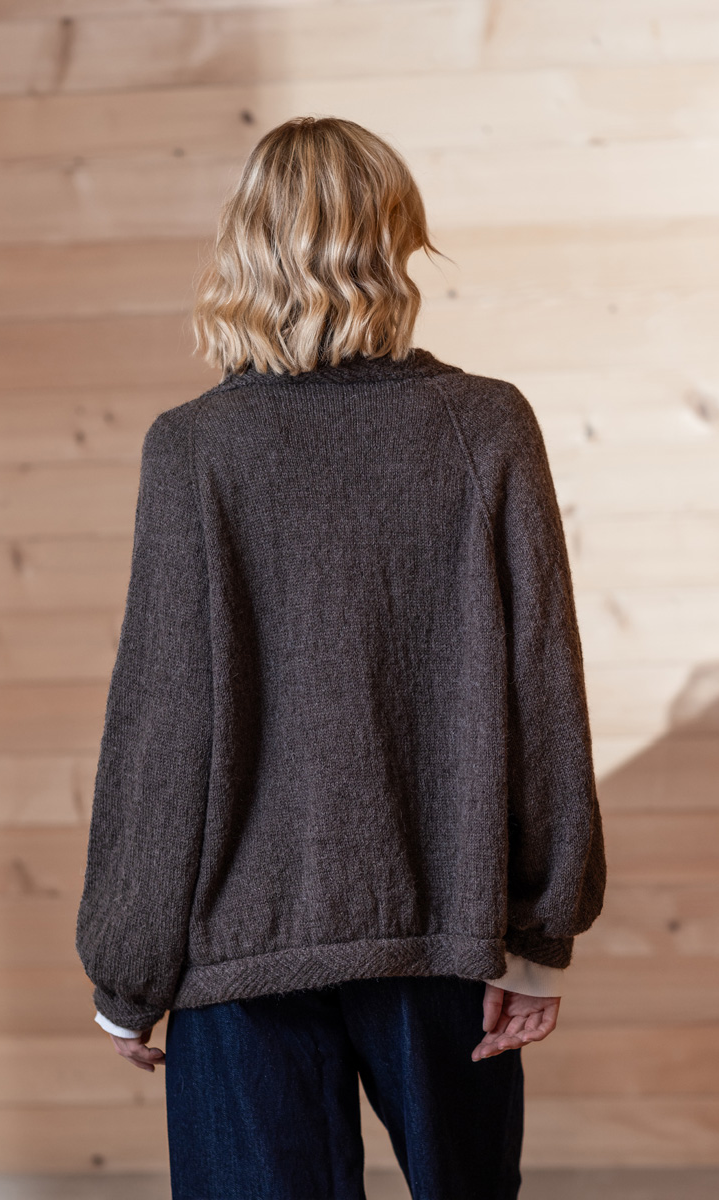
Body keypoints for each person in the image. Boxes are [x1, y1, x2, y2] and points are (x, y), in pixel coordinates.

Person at [75, 115, 606, 1200]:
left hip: (240, 952)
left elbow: (162, 730)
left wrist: (127, 969)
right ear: (395, 239)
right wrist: (536, 938)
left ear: (244, 244)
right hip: (444, 938)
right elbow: (543, 696)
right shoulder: (486, 426)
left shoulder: (194, 449)